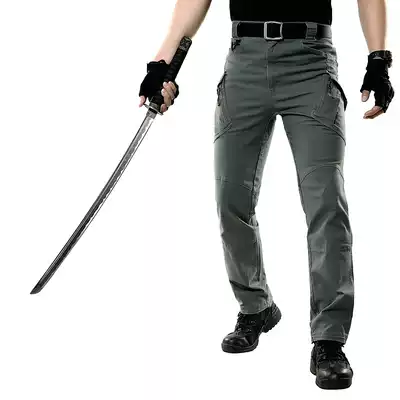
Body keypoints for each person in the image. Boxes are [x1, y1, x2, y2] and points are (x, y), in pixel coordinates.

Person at [138, 0, 394, 390]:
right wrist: (162, 63)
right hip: (245, 62)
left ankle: (329, 339)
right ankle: (255, 307)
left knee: (326, 202)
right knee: (230, 198)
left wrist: (378, 58)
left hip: (311, 64)